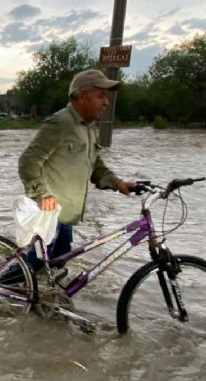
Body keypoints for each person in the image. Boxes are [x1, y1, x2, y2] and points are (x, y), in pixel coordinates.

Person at [15, 69, 135, 274]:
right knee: (30, 269)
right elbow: (28, 161)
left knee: (57, 264)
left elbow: (95, 166)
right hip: (49, 214)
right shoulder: (60, 123)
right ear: (82, 96)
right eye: (101, 96)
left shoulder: (88, 128)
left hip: (66, 214)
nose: (106, 102)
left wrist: (117, 183)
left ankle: (40, 302)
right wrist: (42, 195)